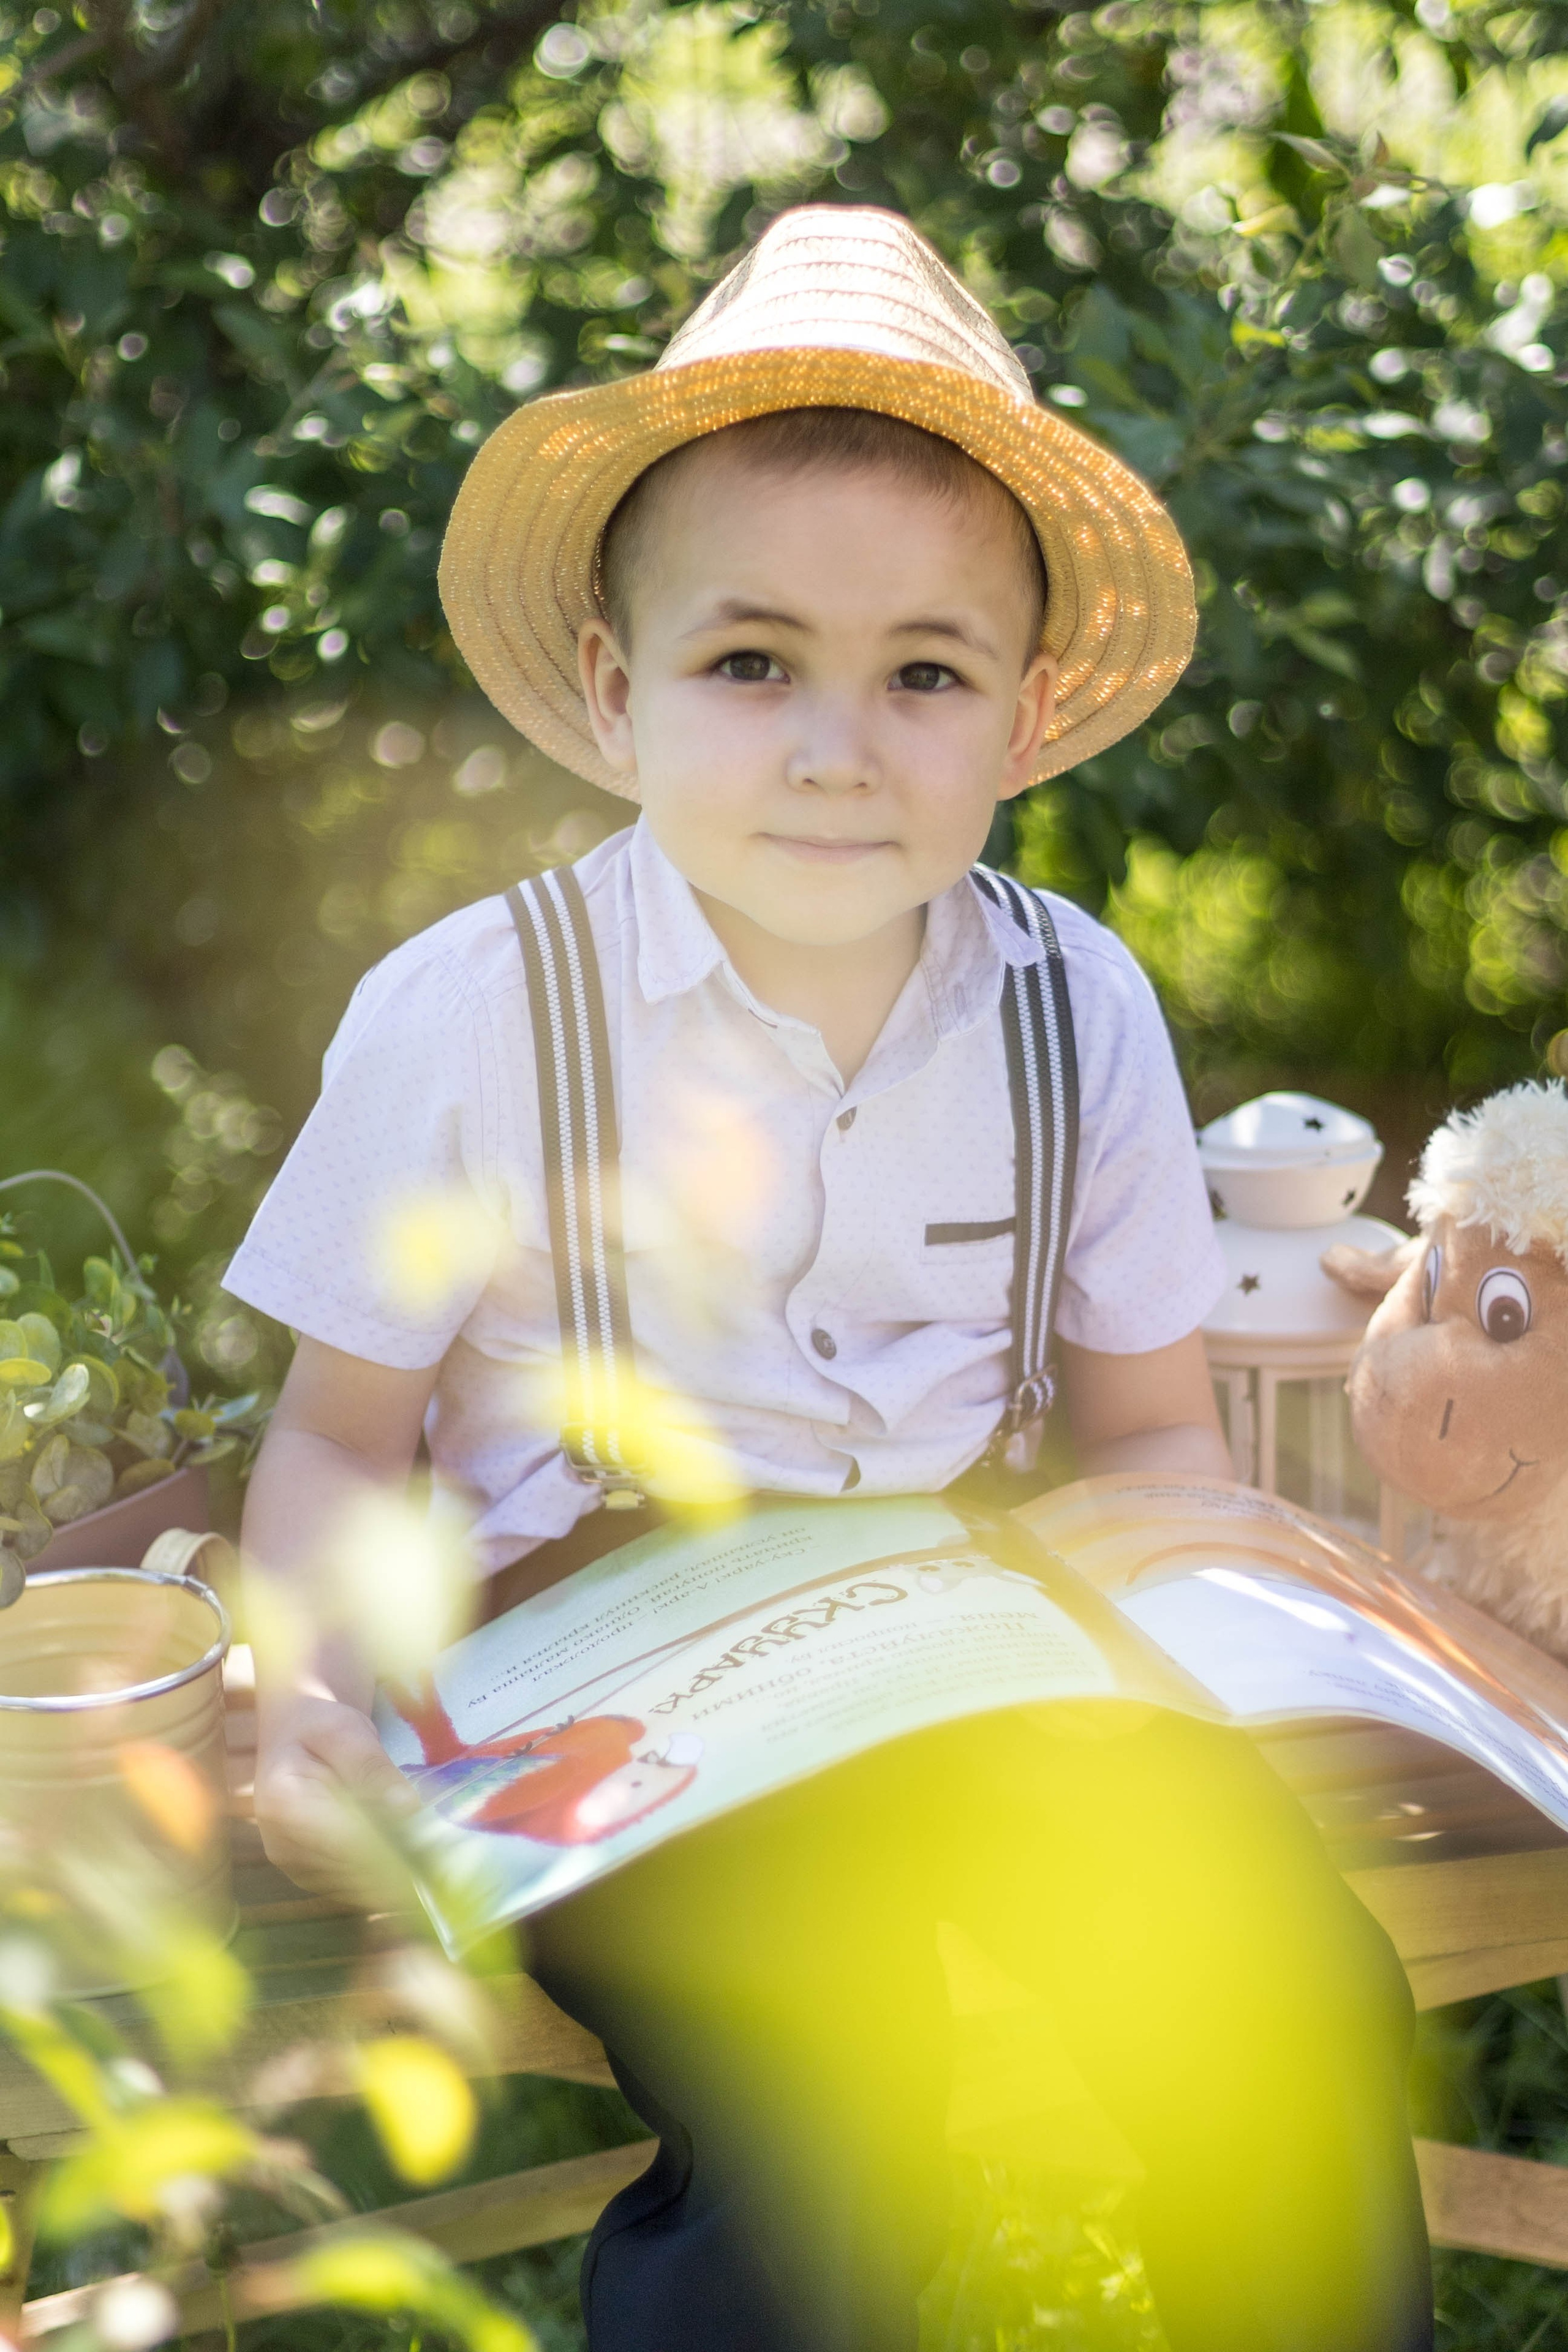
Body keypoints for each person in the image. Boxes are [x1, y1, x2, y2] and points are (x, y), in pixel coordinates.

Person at [227, 206, 1431, 2352]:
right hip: (606, 1669)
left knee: (1283, 2000)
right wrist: (316, 1685)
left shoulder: (1078, 1008)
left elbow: (1153, 1430)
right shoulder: (478, 1012)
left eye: (926, 676)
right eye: (750, 660)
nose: (833, 747)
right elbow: (338, 1432)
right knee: (833, 2095)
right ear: (618, 691)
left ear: (1028, 714)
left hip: (966, 1625)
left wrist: (1211, 1644)